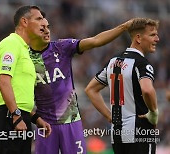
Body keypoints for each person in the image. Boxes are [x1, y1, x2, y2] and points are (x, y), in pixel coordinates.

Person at [29, 17, 134, 154]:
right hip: (44, 125)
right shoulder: (24, 57)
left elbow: (96, 41)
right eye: (42, 28)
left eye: (48, 27)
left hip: (71, 121)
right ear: (30, 30)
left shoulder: (61, 47)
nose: (47, 31)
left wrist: (124, 27)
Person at [85, 18, 159, 154]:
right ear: (138, 38)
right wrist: (154, 114)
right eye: (152, 35)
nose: (157, 39)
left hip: (117, 132)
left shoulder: (113, 61)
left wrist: (109, 116)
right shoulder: (142, 63)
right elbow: (147, 90)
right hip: (139, 130)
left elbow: (90, 89)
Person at [0, 6, 51, 154]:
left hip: (19, 116)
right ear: (24, 21)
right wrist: (16, 116)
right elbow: (3, 82)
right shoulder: (11, 43)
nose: (43, 23)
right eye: (38, 19)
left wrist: (35, 118)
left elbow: (16, 91)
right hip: (9, 117)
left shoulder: (24, 50)